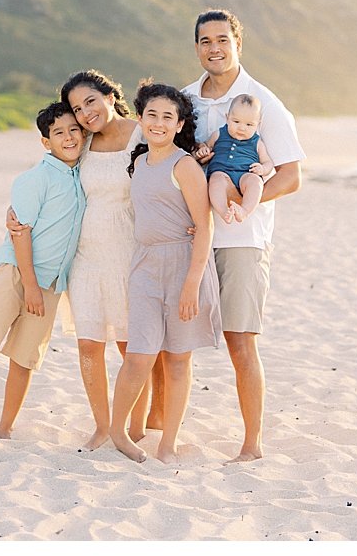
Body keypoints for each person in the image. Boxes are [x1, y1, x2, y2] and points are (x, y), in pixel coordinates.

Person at [7, 70, 156, 451]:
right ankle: (103, 427)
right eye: (77, 108)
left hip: (128, 254)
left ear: (110, 95)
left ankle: (132, 427)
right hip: (85, 258)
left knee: (130, 347)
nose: (85, 113)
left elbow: (175, 170)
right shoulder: (83, 142)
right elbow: (51, 179)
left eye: (91, 101)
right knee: (89, 346)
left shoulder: (143, 133)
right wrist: (18, 212)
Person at [183, 10, 305, 464]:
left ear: (238, 44)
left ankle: (252, 444)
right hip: (190, 235)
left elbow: (291, 176)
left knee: (240, 340)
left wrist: (241, 201)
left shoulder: (263, 103)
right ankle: (158, 429)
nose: (213, 47)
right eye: (204, 40)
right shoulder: (186, 99)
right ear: (195, 47)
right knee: (173, 340)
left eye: (222, 39)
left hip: (241, 239)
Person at [0, 102, 86, 444]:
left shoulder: (84, 175)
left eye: (73, 130)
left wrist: (42, 288)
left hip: (51, 283)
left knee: (24, 359)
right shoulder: (33, 179)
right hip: (14, 274)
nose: (68, 137)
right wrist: (31, 286)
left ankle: (5, 428)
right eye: (58, 133)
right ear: (45, 142)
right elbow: (19, 233)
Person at [108, 82, 220, 465]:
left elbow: (204, 227)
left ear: (179, 124)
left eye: (167, 117)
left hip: (183, 267)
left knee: (176, 361)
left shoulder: (184, 165)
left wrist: (191, 285)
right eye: (151, 115)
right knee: (138, 356)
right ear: (140, 119)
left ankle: (168, 443)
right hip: (144, 266)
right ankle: (117, 430)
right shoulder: (139, 162)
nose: (157, 123)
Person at [201, 93, 275, 224]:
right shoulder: (218, 134)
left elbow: (268, 162)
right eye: (236, 122)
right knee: (216, 180)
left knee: (255, 182)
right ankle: (224, 211)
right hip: (221, 173)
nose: (242, 128)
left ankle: (244, 211)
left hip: (246, 174)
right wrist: (203, 150)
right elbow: (206, 145)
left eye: (249, 124)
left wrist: (262, 169)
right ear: (227, 118)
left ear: (257, 125)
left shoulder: (257, 142)